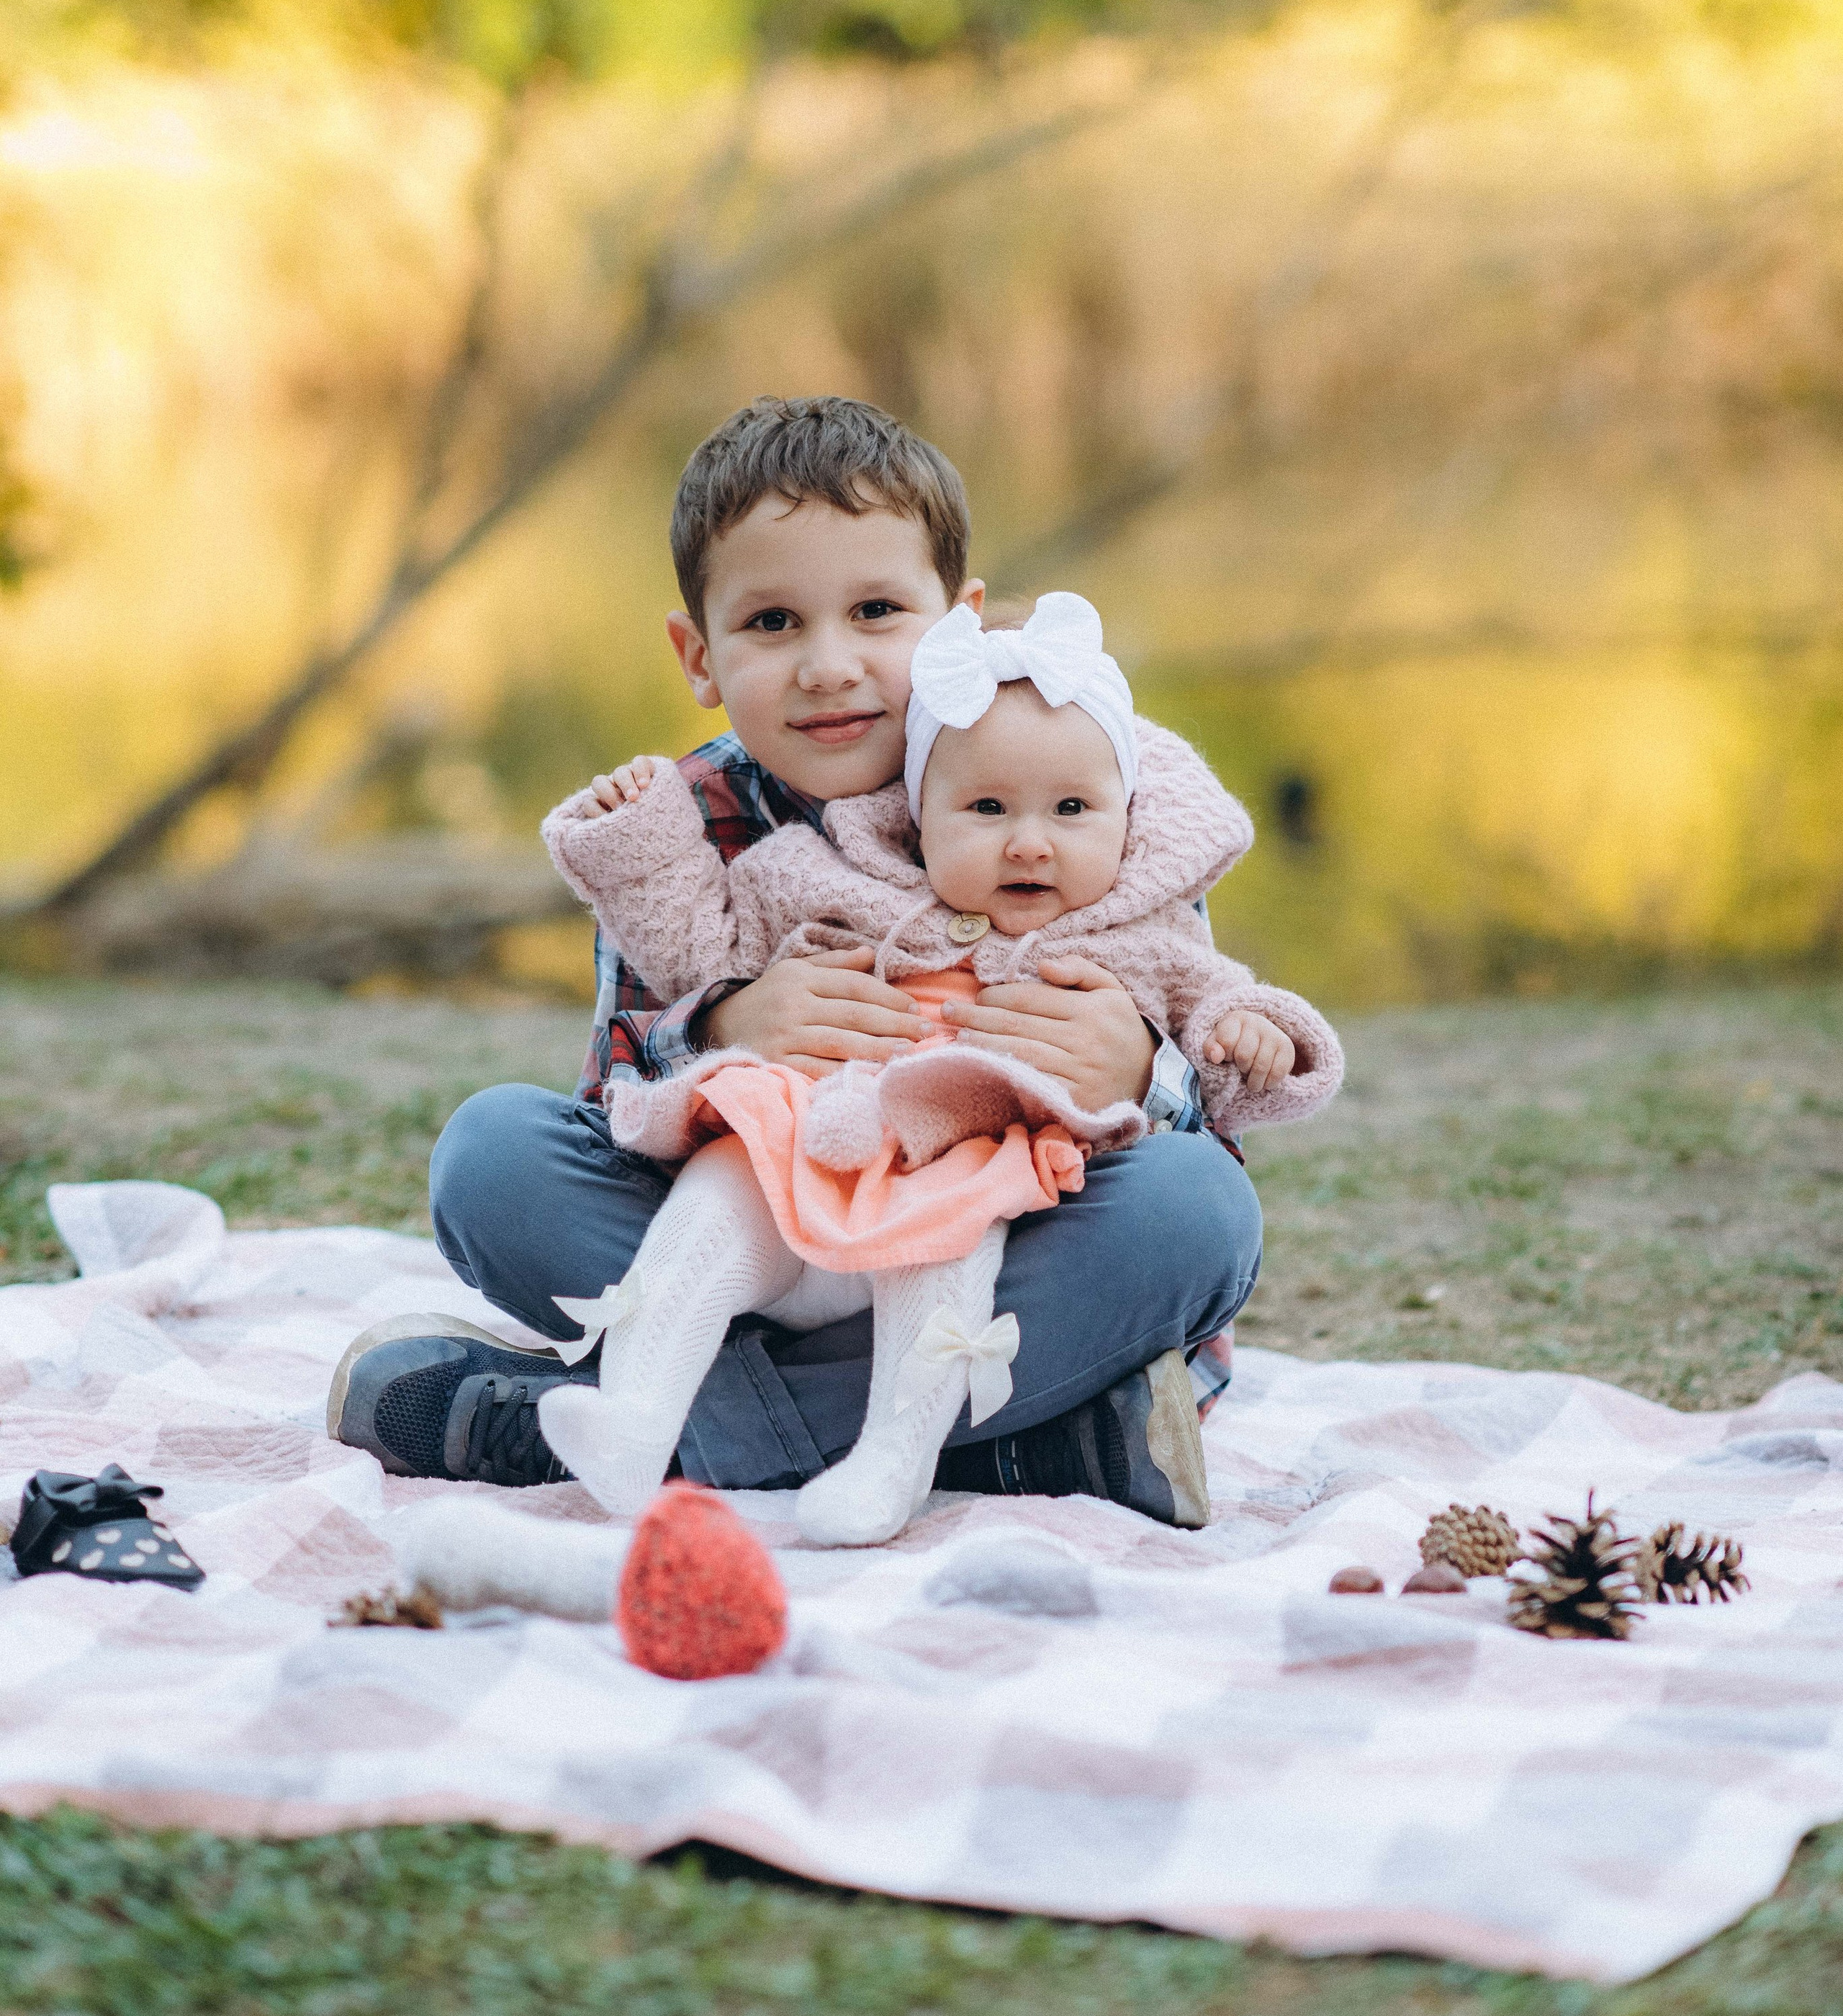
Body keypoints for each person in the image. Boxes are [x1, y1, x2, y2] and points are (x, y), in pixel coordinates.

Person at [328, 397, 1276, 1526]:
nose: (831, 666)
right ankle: (1030, 1445)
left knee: (1198, 1211)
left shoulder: (1097, 788)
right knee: (492, 1160)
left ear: (957, 622)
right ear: (700, 655)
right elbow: (614, 1103)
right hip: (759, 1253)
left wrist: (1142, 1072)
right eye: (773, 623)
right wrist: (726, 1029)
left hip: (1003, 1257)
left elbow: (1221, 1087)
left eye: (877, 610)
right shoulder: (687, 825)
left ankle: (642, 1431)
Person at [531, 589, 1341, 1543]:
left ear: (1125, 815)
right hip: (799, 1137)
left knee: (1011, 1242)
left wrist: (1242, 1038)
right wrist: (658, 869)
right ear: (918, 819)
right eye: (986, 809)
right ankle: (636, 1422)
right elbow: (697, 942)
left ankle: (883, 1461)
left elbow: (1217, 1018)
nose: (1030, 839)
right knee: (664, 1192)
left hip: (963, 1165)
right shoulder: (832, 875)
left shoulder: (1135, 924)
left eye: (1073, 810)